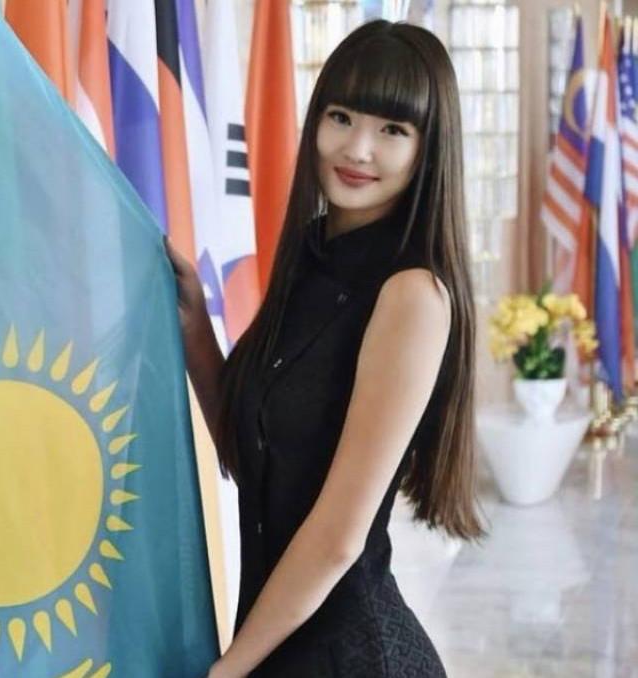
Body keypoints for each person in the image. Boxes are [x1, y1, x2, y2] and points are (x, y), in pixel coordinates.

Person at [167, 20, 484, 677]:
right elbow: (256, 460)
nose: (357, 148)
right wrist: (196, 329)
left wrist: (229, 669)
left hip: (349, 656)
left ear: (428, 149)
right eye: (341, 117)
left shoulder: (412, 294)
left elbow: (340, 536)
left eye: (392, 129)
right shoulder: (311, 257)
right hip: (277, 644)